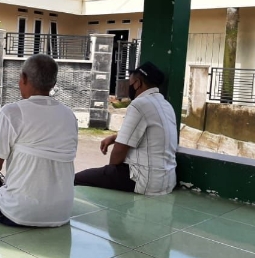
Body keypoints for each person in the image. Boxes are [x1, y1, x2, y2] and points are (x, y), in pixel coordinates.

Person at [0, 54, 79, 227]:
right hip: (62, 212)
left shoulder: (12, 112)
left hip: (20, 212)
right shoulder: (69, 115)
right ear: (54, 83)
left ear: (24, 79)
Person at [74, 61, 177, 195]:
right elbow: (152, 134)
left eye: (130, 83)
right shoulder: (166, 105)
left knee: (76, 179)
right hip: (167, 181)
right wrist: (115, 137)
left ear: (138, 83)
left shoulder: (139, 104)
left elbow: (119, 150)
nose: (129, 87)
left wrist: (110, 173)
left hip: (144, 180)